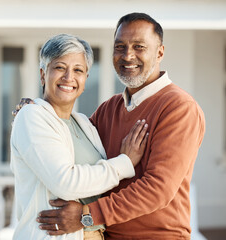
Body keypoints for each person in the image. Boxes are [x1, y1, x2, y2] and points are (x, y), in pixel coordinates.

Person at [35, 13, 206, 240]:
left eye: (139, 46)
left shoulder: (179, 108)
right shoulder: (109, 108)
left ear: (160, 52)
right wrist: (38, 109)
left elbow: (158, 189)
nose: (128, 55)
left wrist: (86, 216)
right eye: (120, 46)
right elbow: (70, 142)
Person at [10, 33, 148, 240]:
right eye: (59, 67)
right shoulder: (31, 116)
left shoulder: (85, 124)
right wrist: (125, 163)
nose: (69, 77)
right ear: (42, 74)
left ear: (85, 80)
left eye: (78, 70)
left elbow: (97, 187)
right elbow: (65, 183)